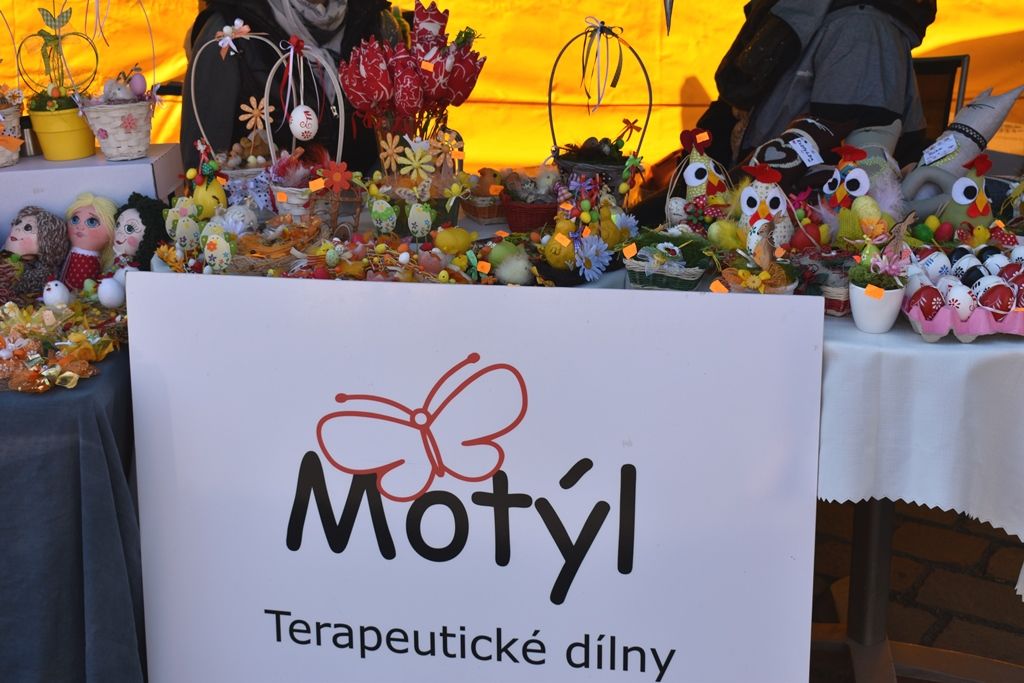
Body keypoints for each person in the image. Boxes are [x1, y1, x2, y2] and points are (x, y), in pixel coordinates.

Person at [702, 0, 937, 169]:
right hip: (751, 184)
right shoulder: (791, 13)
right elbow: (732, 106)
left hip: (786, 203)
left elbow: (850, 176)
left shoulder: (860, 29)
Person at [181, 0, 396, 173]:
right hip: (266, 211)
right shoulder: (228, 32)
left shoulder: (375, 21)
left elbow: (397, 139)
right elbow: (202, 167)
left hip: (366, 208)